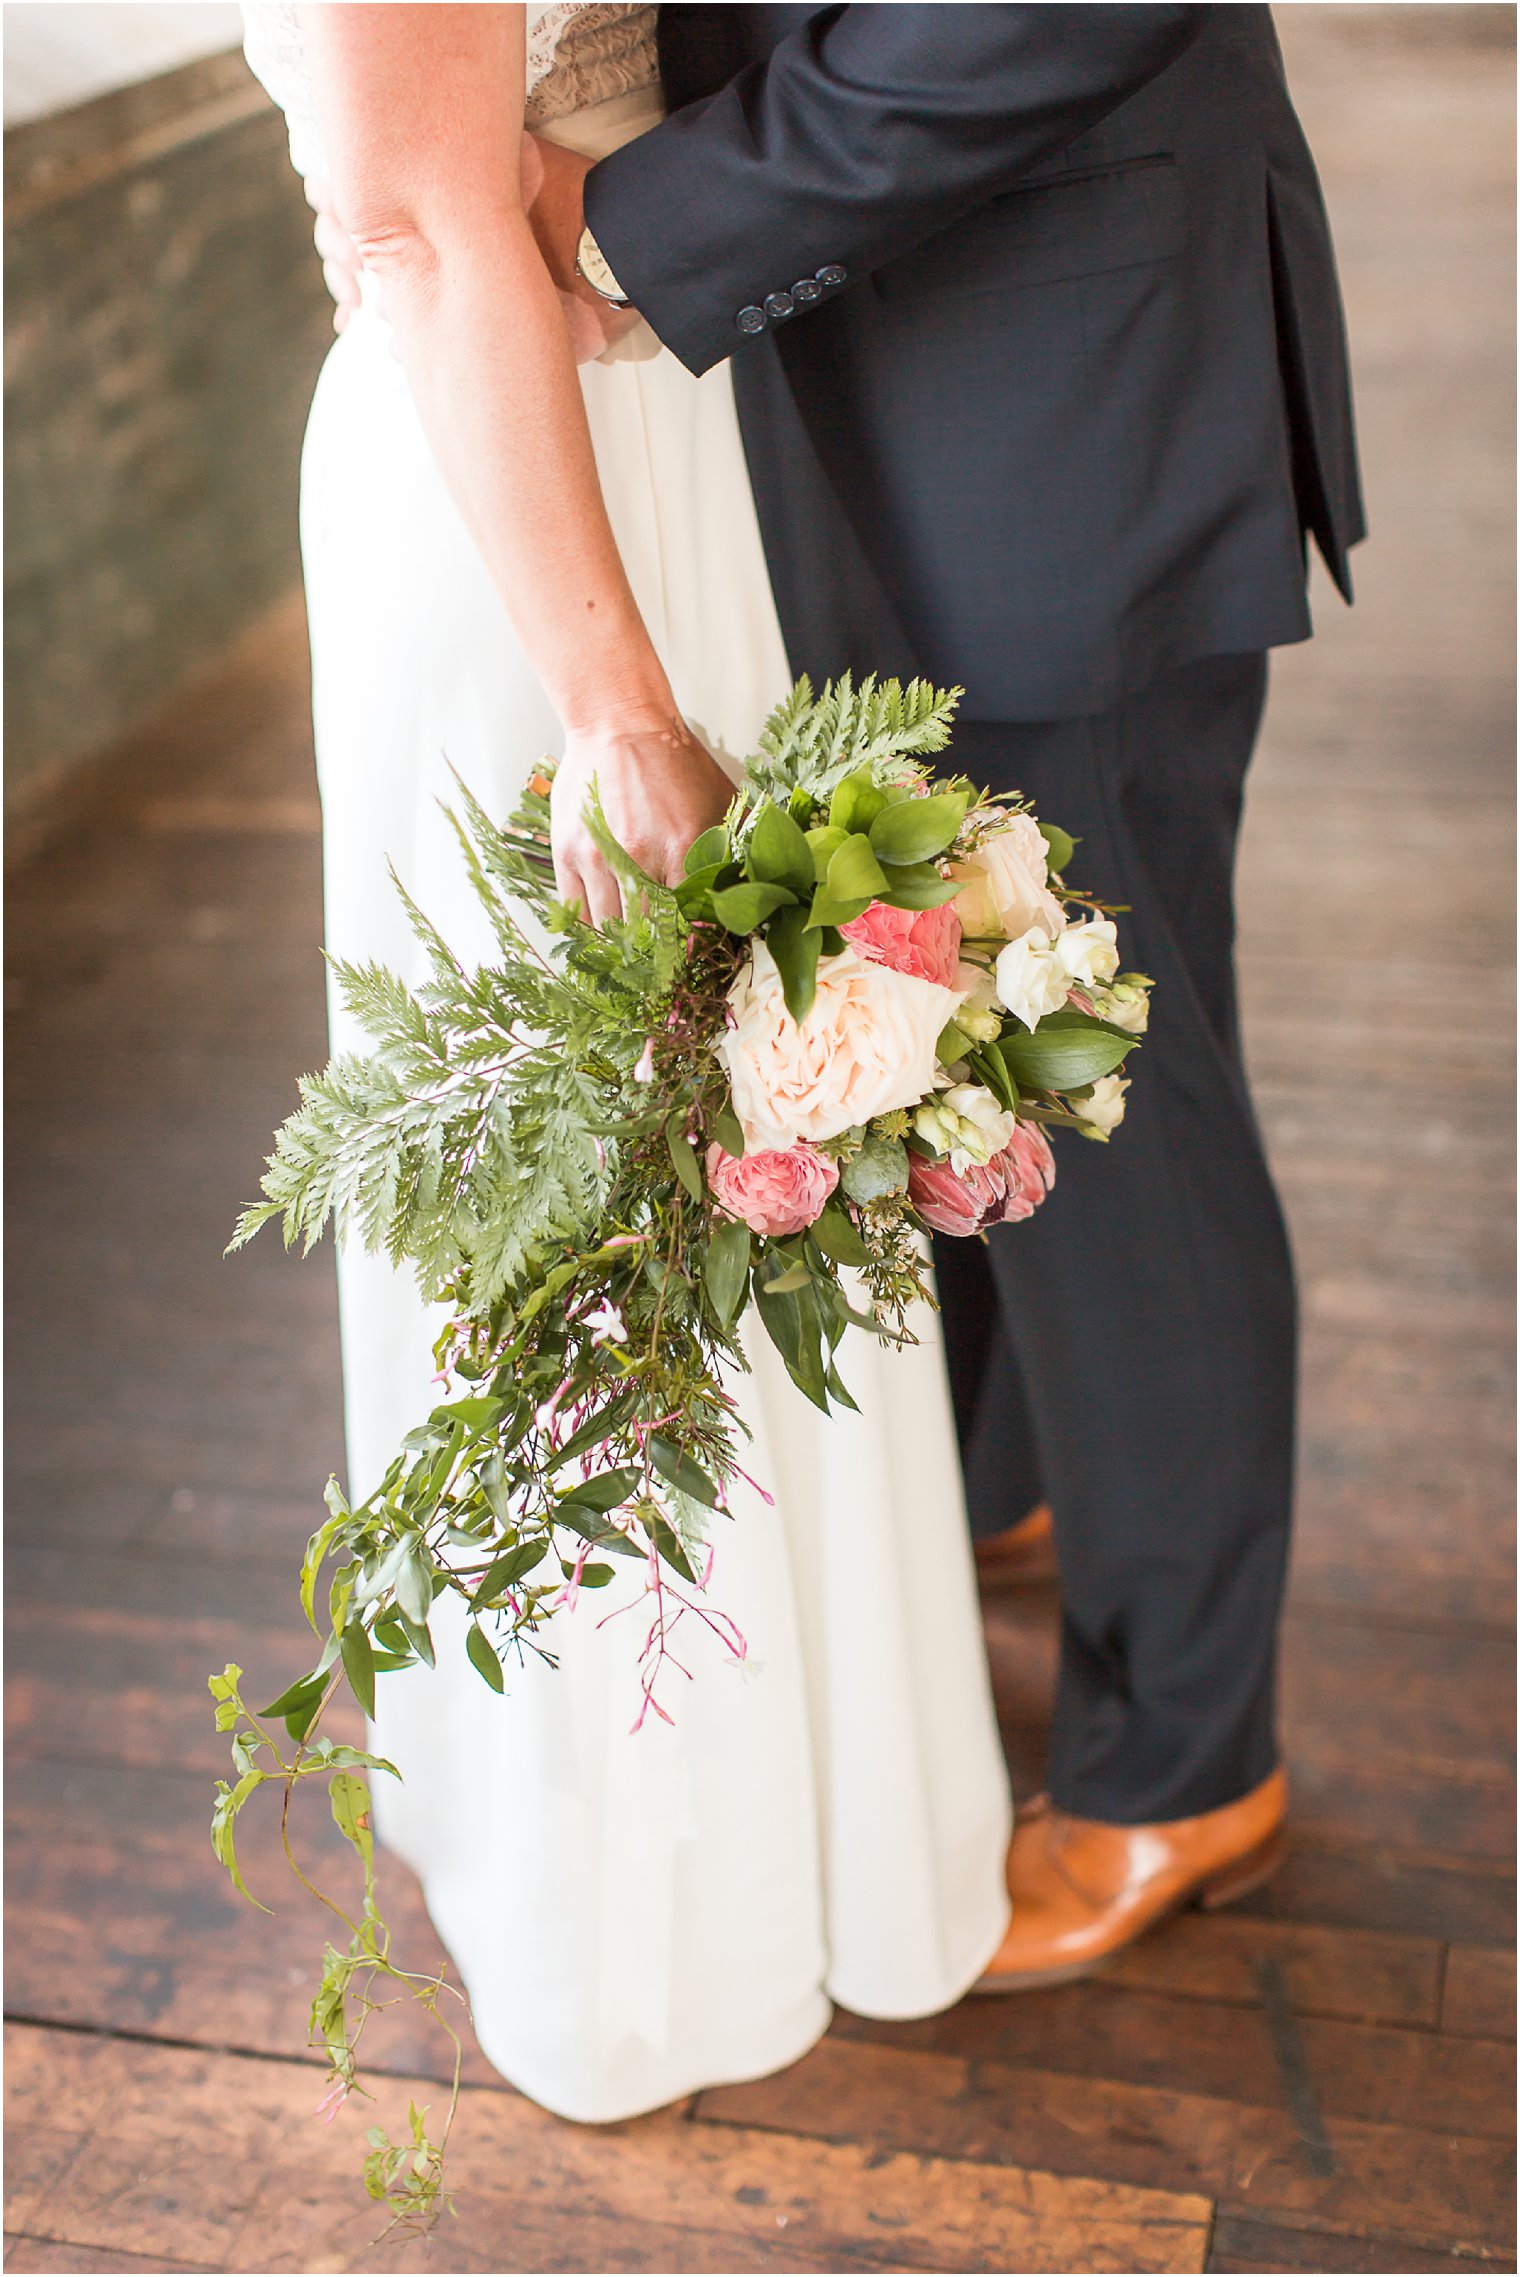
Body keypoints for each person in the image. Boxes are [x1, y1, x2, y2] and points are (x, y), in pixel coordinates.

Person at [311, 1, 1364, 1991]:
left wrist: (646, 218)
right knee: (932, 1013)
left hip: (1055, 364)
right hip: (821, 376)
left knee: (1101, 1081)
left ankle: (1182, 1751)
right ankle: (998, 1484)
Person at [242, 0, 1014, 2124]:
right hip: (523, 506)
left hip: (667, 410)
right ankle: (644, 1897)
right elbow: (415, 228)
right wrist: (608, 696)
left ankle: (817, 1816)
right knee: (601, 1175)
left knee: (748, 1126)